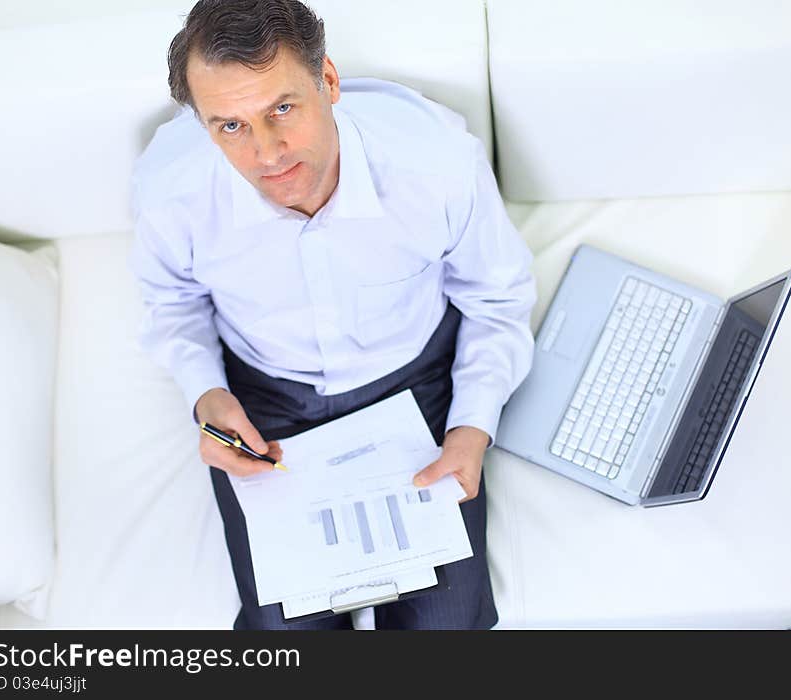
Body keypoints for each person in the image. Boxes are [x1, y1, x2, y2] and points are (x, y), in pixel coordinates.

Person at [129, 0, 536, 630]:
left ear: (329, 82)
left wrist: (472, 428)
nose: (266, 153)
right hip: (266, 396)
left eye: (281, 109)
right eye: (229, 126)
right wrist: (205, 393)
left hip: (417, 380)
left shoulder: (436, 160)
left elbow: (497, 297)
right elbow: (173, 301)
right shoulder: (169, 186)